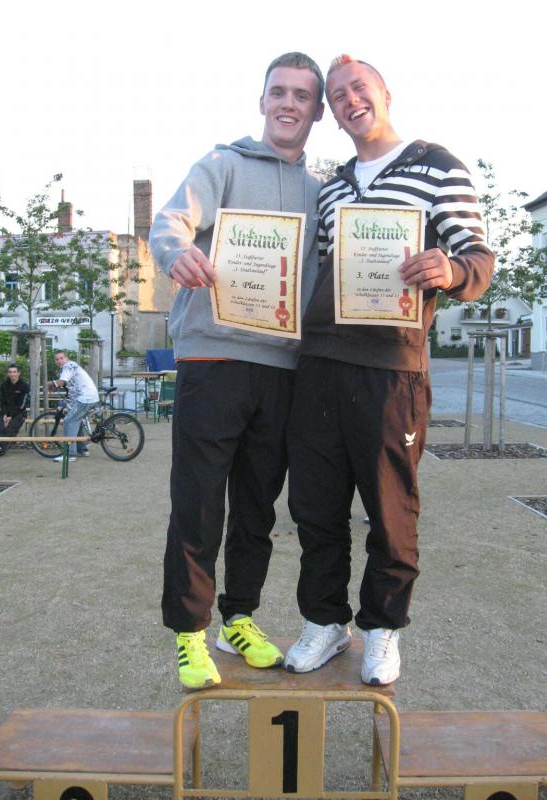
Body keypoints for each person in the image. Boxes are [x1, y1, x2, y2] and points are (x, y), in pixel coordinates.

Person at [285, 55, 495, 685]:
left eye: (360, 88)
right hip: (320, 363)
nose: (350, 100)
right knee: (316, 508)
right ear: (332, 113)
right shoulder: (331, 188)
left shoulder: (438, 166)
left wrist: (450, 270)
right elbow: (320, 273)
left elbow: (478, 258)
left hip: (390, 370)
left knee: (390, 509)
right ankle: (325, 622)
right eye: (338, 95)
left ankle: (382, 629)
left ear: (385, 93)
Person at [149, 52, 325, 689]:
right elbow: (170, 222)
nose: (287, 103)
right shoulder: (221, 165)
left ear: (316, 111)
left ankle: (239, 619)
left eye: (301, 96)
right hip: (213, 359)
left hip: (281, 369)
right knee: (198, 503)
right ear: (262, 101)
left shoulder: (321, 193)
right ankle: (190, 633)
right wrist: (175, 253)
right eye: (278, 92)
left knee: (257, 509)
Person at [49, 350, 99, 462]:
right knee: (77, 420)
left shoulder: (69, 366)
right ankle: (82, 449)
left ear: (67, 358)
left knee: (68, 421)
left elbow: (61, 382)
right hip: (90, 397)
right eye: (57, 359)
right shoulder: (71, 367)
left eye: (61, 358)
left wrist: (51, 384)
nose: (59, 361)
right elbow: (71, 390)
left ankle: (70, 455)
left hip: (85, 398)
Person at [0, 364, 29, 458]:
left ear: (18, 373)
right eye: (10, 372)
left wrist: (11, 416)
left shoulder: (24, 386)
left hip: (19, 414)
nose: (12, 374)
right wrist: (5, 415)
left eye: (14, 372)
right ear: (8, 373)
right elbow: (2, 402)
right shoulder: (4, 386)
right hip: (4, 413)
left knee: (9, 430)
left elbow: (22, 405)